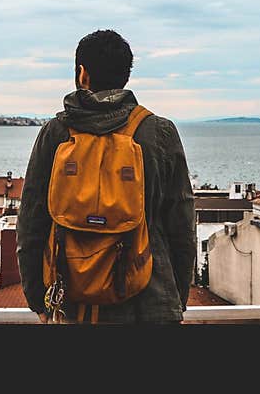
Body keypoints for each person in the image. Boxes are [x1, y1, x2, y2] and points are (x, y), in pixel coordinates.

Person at [17, 29, 196, 323]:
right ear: (126, 76)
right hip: (149, 301)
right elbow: (182, 225)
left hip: (72, 302)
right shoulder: (159, 132)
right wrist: (175, 299)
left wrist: (39, 300)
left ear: (82, 74)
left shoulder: (56, 133)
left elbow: (31, 221)